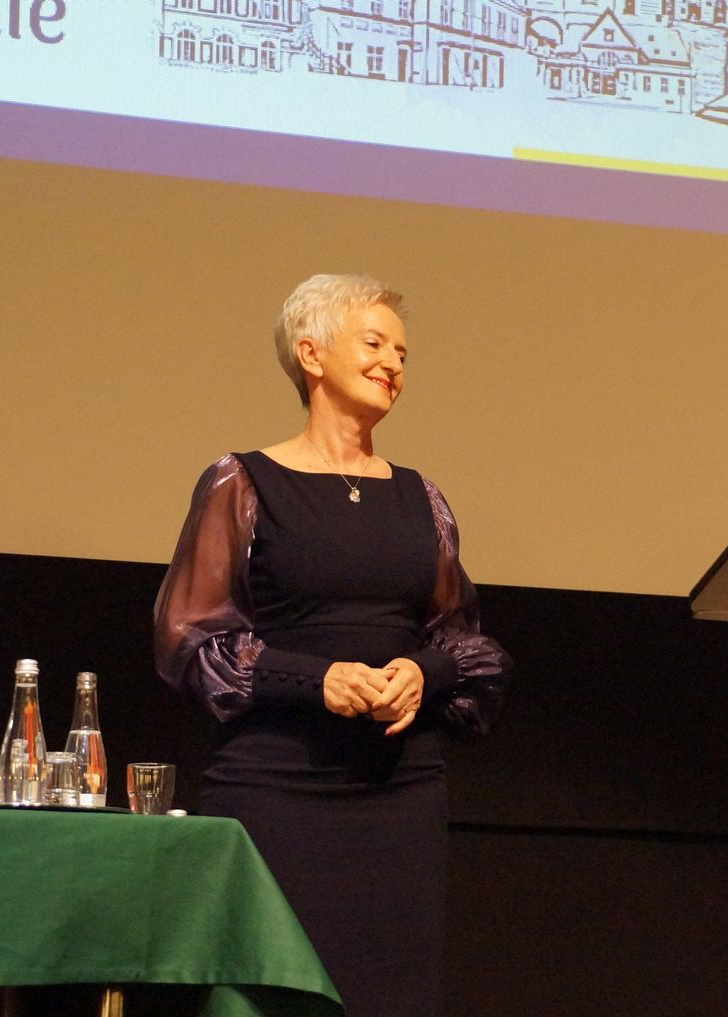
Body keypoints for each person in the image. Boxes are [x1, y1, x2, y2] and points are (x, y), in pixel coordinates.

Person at [154, 273, 513, 1017]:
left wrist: (424, 672)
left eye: (402, 353)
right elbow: (190, 639)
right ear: (311, 355)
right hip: (277, 790)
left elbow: (468, 644)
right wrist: (315, 680)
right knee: (274, 993)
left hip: (399, 796)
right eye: (374, 343)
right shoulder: (242, 482)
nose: (393, 364)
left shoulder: (422, 498)